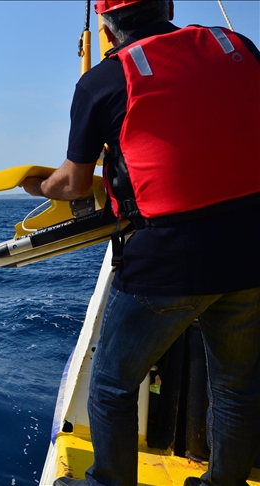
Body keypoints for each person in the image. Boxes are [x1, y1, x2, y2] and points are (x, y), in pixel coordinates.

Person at [19, 1, 260, 485]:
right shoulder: (236, 45)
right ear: (168, 6)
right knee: (235, 387)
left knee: (111, 385)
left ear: (106, 27)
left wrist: (36, 185)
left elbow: (71, 183)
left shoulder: (101, 82)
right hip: (251, 250)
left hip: (168, 261)